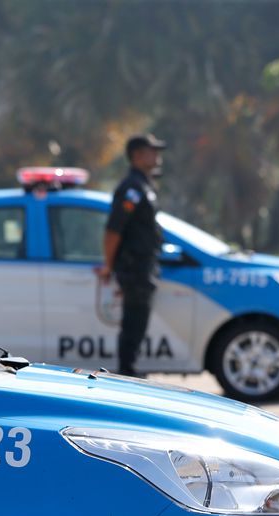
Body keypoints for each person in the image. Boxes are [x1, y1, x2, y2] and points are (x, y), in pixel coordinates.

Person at [97, 133, 167, 377]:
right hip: (134, 267)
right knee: (133, 324)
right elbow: (113, 231)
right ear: (137, 155)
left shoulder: (144, 185)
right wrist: (109, 265)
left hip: (144, 266)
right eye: (152, 151)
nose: (157, 156)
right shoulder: (132, 189)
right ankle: (128, 374)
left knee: (138, 322)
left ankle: (130, 370)